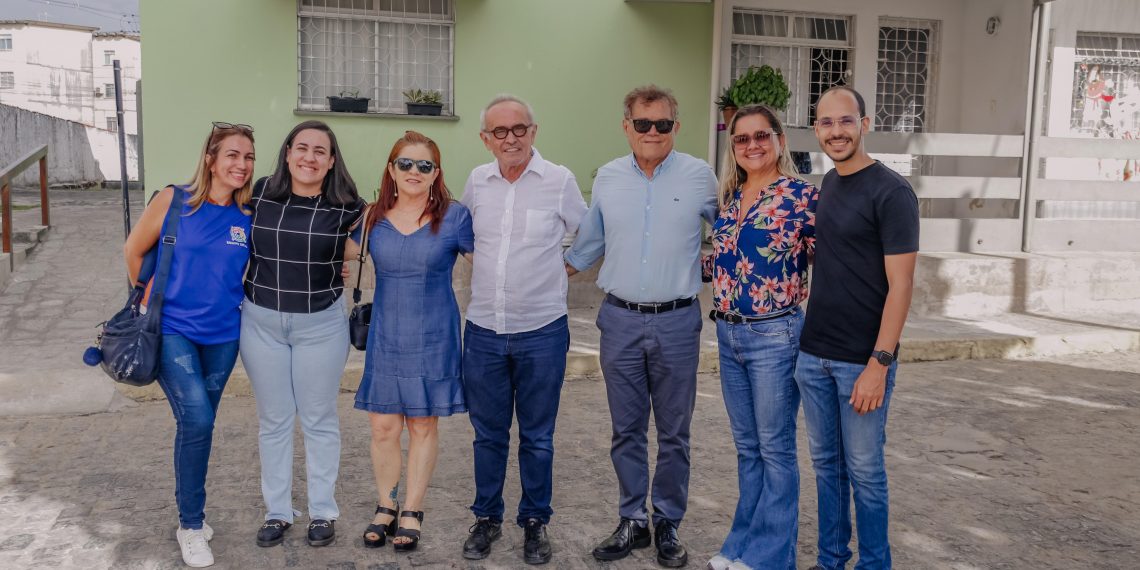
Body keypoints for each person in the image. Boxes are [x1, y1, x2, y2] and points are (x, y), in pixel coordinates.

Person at [565, 85, 718, 568]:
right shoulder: (608, 178)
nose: (653, 132)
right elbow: (589, 244)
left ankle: (668, 521)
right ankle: (633, 518)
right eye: (643, 123)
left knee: (675, 433)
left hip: (677, 321)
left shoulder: (701, 176)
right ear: (626, 126)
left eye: (663, 124)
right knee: (626, 429)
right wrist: (529, 274)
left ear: (676, 126)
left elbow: (732, 230)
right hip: (620, 320)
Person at [459, 95, 587, 565]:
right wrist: (485, 265)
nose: (510, 138)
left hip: (542, 331)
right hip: (484, 330)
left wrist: (563, 269)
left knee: (537, 436)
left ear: (533, 132)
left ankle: (534, 520)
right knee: (487, 435)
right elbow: (464, 235)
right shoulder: (477, 181)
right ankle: (486, 518)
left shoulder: (559, 180)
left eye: (519, 129)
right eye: (500, 131)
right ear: (486, 139)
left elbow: (589, 232)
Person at [122, 122, 255, 567]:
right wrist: (148, 299)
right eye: (232, 155)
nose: (241, 164)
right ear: (211, 160)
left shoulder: (248, 214)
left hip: (224, 336)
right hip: (173, 330)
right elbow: (133, 251)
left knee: (199, 425)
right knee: (197, 420)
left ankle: (191, 513)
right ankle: (191, 525)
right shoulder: (173, 200)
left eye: (248, 157)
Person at [797, 85, 919, 570]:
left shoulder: (892, 192)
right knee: (828, 469)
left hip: (862, 362)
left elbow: (902, 285)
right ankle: (831, 560)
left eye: (845, 121)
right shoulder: (828, 184)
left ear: (864, 124)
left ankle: (873, 565)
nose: (836, 131)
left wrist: (879, 363)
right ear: (817, 130)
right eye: (826, 123)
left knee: (866, 472)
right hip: (814, 356)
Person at [702, 105, 818, 570]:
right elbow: (723, 263)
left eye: (761, 136)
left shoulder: (802, 197)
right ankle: (741, 545)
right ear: (732, 147)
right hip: (728, 332)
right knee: (748, 449)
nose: (752, 145)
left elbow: (831, 262)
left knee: (775, 448)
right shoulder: (730, 199)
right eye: (741, 138)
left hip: (775, 334)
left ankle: (770, 557)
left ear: (779, 140)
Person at [241, 120, 365, 549]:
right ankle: (276, 512)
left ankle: (322, 512)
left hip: (320, 326)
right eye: (302, 148)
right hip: (261, 324)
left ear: (331, 162)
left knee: (318, 419)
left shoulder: (349, 207)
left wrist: (345, 255)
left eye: (320, 151)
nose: (309, 157)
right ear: (288, 152)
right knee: (274, 420)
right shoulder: (260, 193)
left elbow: (371, 243)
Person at [351, 130, 474, 553]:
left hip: (434, 335)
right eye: (406, 163)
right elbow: (335, 252)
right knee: (383, 426)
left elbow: (490, 261)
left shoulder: (455, 217)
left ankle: (413, 510)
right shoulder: (371, 217)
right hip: (387, 334)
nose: (414, 171)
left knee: (422, 423)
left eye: (425, 165)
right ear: (391, 169)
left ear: (436, 173)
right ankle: (386, 505)